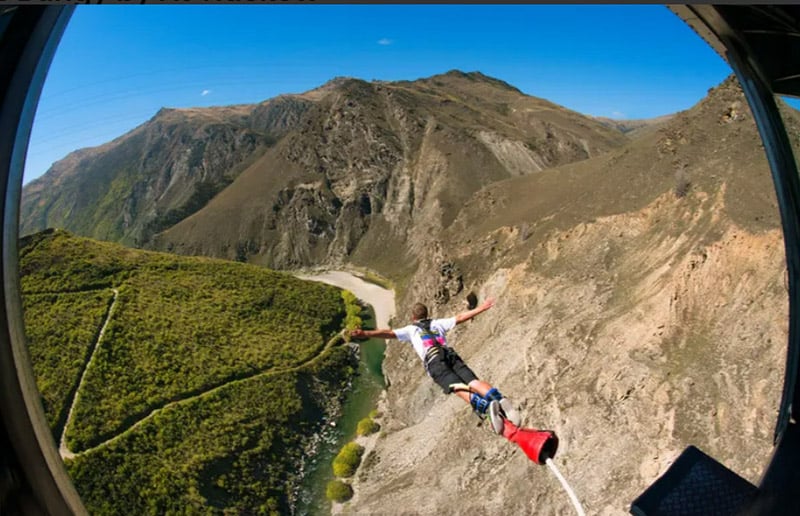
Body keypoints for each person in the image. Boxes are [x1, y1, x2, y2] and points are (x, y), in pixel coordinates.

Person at [349, 296, 521, 434]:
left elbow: (387, 333)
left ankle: (485, 408)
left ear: (413, 317)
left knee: (457, 387)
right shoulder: (437, 323)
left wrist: (364, 332)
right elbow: (460, 317)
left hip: (434, 361)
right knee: (473, 382)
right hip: (450, 354)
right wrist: (482, 307)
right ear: (426, 314)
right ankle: (500, 399)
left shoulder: (411, 329)